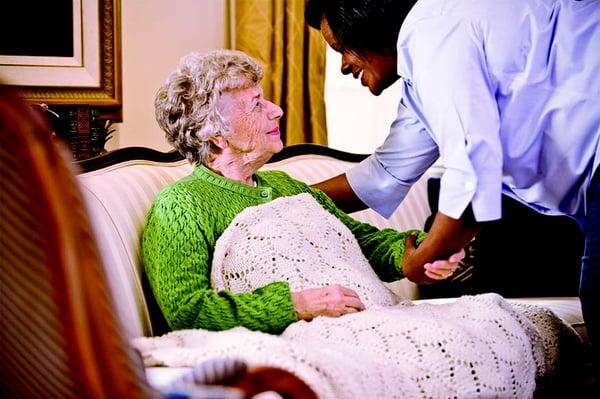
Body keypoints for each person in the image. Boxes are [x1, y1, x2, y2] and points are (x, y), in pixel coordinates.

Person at [305, 0, 600, 380]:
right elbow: (383, 173)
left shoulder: (434, 32)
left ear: (366, 23)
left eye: (342, 49)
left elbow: (473, 175)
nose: (344, 65)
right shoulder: (423, 72)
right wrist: (279, 193)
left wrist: (420, 260)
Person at [142, 49, 464, 335]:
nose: (276, 110)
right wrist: (295, 305)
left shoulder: (286, 185)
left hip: (372, 320)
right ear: (216, 136)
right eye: (256, 105)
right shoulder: (181, 205)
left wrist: (423, 250)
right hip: (316, 339)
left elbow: (364, 243)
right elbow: (188, 311)